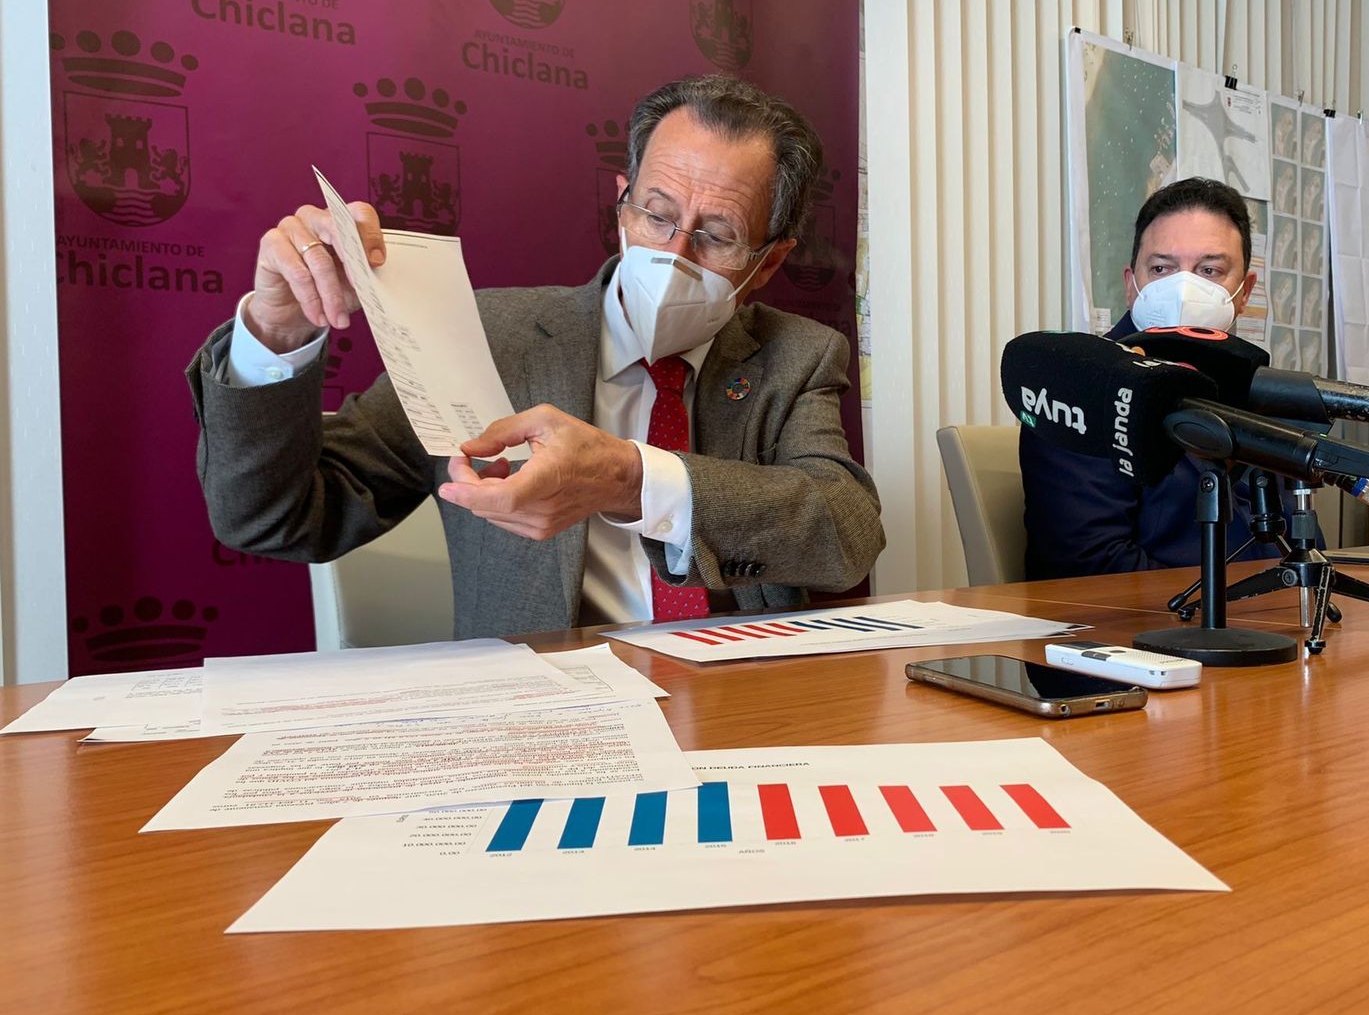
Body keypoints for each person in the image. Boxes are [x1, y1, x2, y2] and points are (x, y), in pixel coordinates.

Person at [187, 75, 885, 637]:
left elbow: (845, 530)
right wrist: (275, 332)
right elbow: (273, 516)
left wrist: (631, 479)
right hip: (539, 713)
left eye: (719, 235)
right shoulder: (486, 336)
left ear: (766, 266)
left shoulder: (796, 355)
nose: (673, 254)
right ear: (621, 206)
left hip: (745, 713)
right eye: (658, 213)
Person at [1021, 177, 1287, 579]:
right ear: (1132, 286)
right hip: (1134, 631)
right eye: (1162, 268)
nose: (1183, 288)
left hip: (1268, 624)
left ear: (1245, 292)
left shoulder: (1261, 391)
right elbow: (1092, 568)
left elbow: (1299, 544)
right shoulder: (1078, 388)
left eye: (1209, 270)